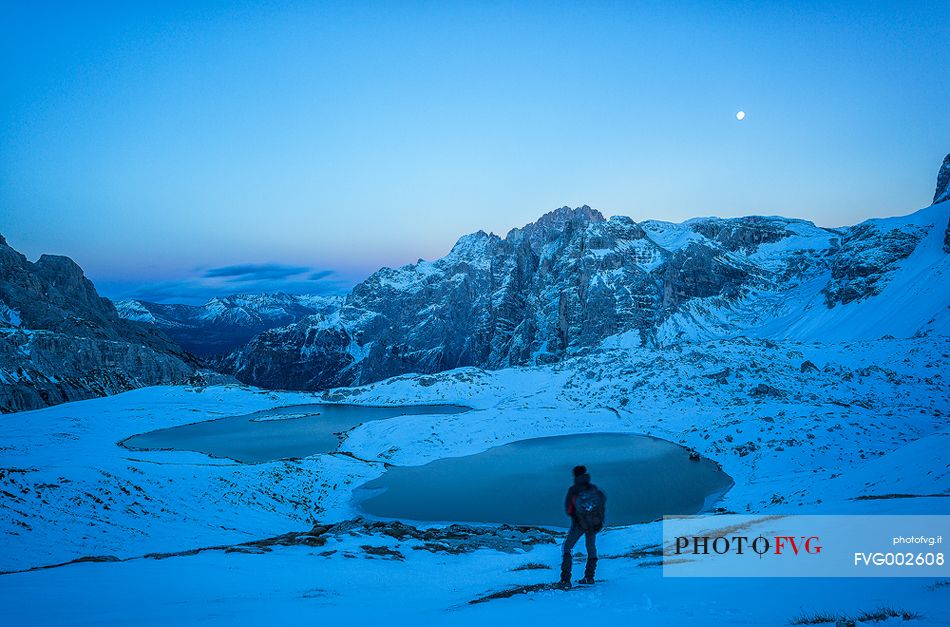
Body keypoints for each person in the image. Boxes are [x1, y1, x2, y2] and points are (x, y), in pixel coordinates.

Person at [559, 465, 606, 588]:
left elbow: (569, 509)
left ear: (575, 475)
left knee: (567, 548)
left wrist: (577, 518)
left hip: (579, 524)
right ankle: (589, 577)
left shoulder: (574, 489)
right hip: (593, 524)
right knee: (591, 548)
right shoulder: (593, 488)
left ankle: (565, 581)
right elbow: (601, 504)